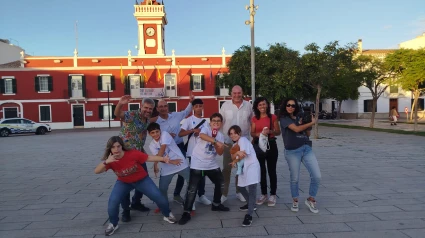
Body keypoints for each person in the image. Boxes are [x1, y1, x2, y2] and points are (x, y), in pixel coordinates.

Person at [94, 136, 180, 236]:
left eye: (118, 146)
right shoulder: (110, 160)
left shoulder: (132, 153)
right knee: (113, 202)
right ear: (110, 149)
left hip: (142, 180)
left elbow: (148, 157)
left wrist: (163, 159)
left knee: (159, 198)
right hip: (124, 182)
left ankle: (167, 214)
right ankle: (113, 224)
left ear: (122, 146)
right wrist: (106, 162)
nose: (116, 149)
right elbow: (97, 171)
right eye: (113, 147)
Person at [178, 113, 230, 225]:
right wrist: (215, 141)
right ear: (210, 122)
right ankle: (186, 213)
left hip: (211, 164)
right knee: (192, 189)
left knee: (221, 182)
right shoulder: (205, 129)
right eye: (214, 121)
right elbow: (202, 136)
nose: (216, 123)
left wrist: (217, 144)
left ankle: (216, 204)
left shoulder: (220, 135)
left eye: (218, 121)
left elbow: (220, 153)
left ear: (221, 123)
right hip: (198, 164)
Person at [114, 96, 154, 221]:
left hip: (139, 154)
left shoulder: (146, 120)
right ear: (141, 106)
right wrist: (120, 103)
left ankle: (136, 202)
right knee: (126, 181)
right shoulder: (132, 115)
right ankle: (126, 210)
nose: (148, 110)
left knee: (143, 178)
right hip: (125, 155)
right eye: (146, 108)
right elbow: (118, 114)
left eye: (150, 109)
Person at [279, 98, 321, 214]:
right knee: (295, 178)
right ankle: (295, 200)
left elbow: (307, 133)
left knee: (317, 175)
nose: (291, 107)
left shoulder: (299, 116)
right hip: (292, 151)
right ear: (285, 106)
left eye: (293, 105)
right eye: (288, 105)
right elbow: (296, 129)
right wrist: (312, 122)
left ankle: (311, 199)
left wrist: (307, 124)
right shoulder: (284, 119)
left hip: (306, 148)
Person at [153, 94, 194, 204]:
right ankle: (163, 199)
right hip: (166, 150)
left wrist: (190, 101)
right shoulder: (155, 122)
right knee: (166, 173)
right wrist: (165, 137)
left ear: (168, 107)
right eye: (160, 106)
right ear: (157, 109)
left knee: (182, 171)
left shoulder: (175, 115)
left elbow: (186, 112)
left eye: (165, 106)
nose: (163, 108)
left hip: (179, 146)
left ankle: (177, 194)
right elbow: (153, 134)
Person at [220, 85, 253, 203]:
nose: (237, 95)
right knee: (226, 169)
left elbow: (252, 122)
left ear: (242, 93)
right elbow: (220, 123)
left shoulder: (248, 106)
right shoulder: (225, 106)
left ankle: (239, 192)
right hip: (228, 143)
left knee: (241, 168)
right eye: (234, 93)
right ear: (231, 94)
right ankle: (223, 194)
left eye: (239, 93)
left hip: (243, 143)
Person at [147, 123, 191, 208]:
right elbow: (159, 158)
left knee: (191, 183)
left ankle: (189, 203)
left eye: (157, 131)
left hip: (180, 163)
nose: (156, 134)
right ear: (149, 134)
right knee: (162, 189)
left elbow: (162, 149)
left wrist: (156, 163)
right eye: (153, 132)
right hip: (167, 168)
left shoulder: (165, 134)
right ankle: (164, 206)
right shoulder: (151, 145)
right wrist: (171, 162)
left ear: (160, 131)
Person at [178, 98, 212, 205]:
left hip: (203, 152)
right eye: (196, 106)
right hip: (192, 152)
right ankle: (189, 195)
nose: (198, 108)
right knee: (193, 175)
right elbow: (181, 133)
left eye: (200, 106)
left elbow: (209, 136)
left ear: (202, 107)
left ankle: (201, 195)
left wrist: (201, 134)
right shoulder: (189, 120)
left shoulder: (206, 122)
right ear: (193, 108)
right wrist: (193, 130)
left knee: (202, 174)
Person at [251, 97, 281, 207]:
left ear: (267, 105)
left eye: (264, 104)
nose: (262, 107)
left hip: (271, 145)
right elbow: (252, 133)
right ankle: (263, 194)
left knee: (272, 170)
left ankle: (273, 194)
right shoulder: (255, 119)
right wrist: (259, 134)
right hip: (259, 145)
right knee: (261, 170)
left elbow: (278, 132)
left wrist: (270, 131)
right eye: (260, 105)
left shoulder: (273, 117)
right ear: (257, 107)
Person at [228, 125, 260, 227]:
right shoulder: (234, 145)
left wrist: (235, 157)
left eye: (235, 133)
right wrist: (236, 153)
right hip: (242, 169)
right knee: (241, 187)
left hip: (251, 168)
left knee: (252, 190)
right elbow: (233, 155)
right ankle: (251, 203)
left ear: (239, 133)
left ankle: (249, 215)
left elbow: (242, 155)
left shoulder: (243, 140)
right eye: (231, 134)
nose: (233, 135)